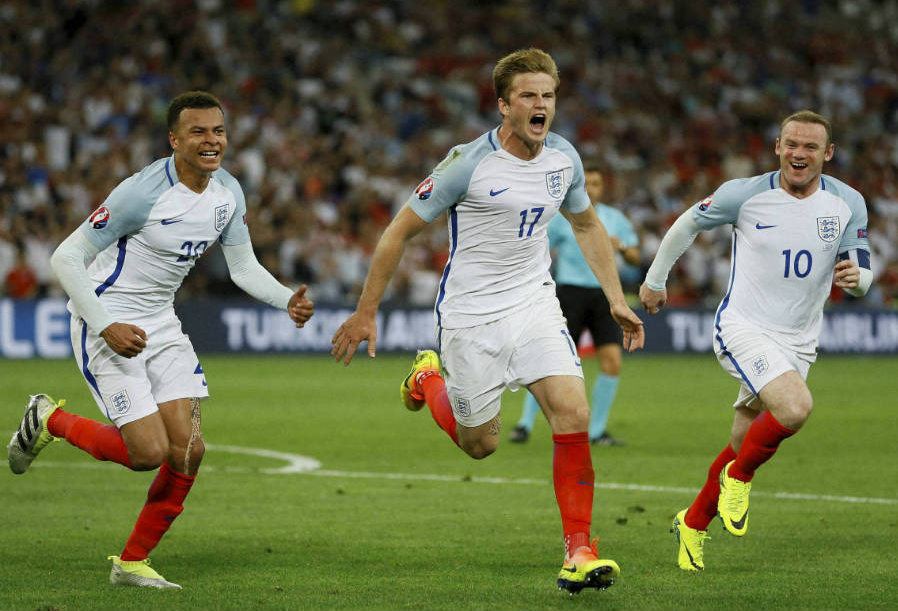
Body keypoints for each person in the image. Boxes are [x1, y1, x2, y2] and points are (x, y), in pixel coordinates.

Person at [331, 48, 645, 595]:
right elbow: (398, 232)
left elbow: (588, 226)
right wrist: (366, 311)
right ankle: (428, 379)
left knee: (572, 411)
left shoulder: (563, 159)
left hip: (536, 304)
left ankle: (579, 549)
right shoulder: (466, 163)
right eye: (528, 95)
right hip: (472, 316)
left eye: (547, 95)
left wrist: (616, 298)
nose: (540, 104)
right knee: (481, 445)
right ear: (504, 105)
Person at [6, 91, 314, 589]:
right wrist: (105, 323)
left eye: (218, 131)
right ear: (174, 140)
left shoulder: (228, 192)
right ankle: (49, 418)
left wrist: (285, 301)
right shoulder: (141, 193)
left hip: (162, 325)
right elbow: (65, 257)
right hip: (107, 323)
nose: (211, 141)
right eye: (198, 132)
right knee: (147, 453)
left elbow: (242, 266)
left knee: (189, 450)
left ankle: (130, 563)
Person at [638, 110, 872, 572]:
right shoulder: (744, 194)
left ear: (827, 154)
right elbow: (688, 222)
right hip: (744, 327)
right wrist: (655, 279)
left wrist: (858, 279)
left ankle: (693, 522)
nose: (798, 154)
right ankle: (738, 478)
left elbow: (861, 271)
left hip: (799, 340)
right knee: (795, 408)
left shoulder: (848, 203)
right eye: (791, 144)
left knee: (742, 439)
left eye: (809, 147)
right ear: (777, 147)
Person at [509, 162, 640, 446]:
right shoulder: (562, 218)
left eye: (596, 183)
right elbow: (537, 245)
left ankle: (597, 431)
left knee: (612, 362)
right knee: (550, 362)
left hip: (604, 296)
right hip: (570, 294)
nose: (591, 188)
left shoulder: (616, 219)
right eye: (586, 184)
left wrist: (623, 248)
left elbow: (635, 259)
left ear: (603, 187)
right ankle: (524, 424)